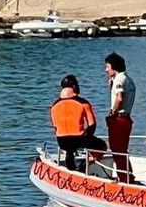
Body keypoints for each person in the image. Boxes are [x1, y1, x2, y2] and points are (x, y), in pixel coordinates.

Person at [50, 75, 108, 171]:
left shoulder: (54, 106)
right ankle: (83, 165)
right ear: (74, 87)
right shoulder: (83, 103)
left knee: (69, 149)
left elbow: (55, 126)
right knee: (102, 146)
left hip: (61, 141)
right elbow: (92, 124)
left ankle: (70, 169)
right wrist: (87, 136)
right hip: (79, 138)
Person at [104, 52, 136, 183]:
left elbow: (120, 97)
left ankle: (124, 178)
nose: (106, 70)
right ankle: (127, 175)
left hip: (119, 118)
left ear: (113, 67)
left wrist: (112, 111)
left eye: (107, 67)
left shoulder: (119, 79)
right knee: (121, 149)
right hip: (126, 117)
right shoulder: (128, 79)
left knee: (117, 149)